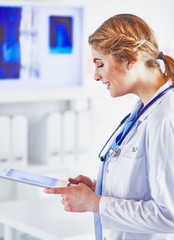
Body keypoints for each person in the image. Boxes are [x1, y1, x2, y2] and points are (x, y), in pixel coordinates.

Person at [44, 13, 174, 240]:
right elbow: (143, 190)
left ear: (130, 60)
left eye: (100, 64)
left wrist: (96, 203)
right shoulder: (143, 110)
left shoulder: (164, 117)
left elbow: (169, 215)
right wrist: (99, 189)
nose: (95, 76)